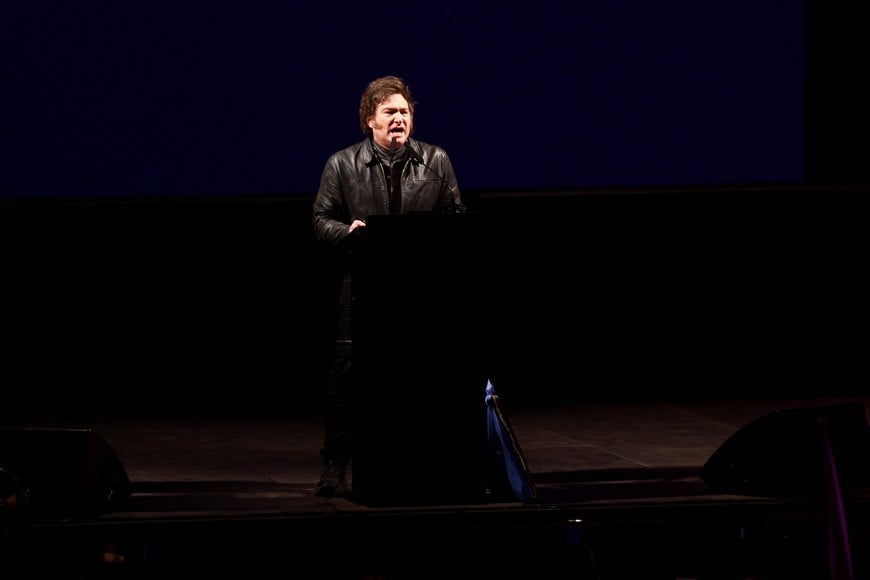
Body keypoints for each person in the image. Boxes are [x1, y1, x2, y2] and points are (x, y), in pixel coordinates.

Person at [311, 75, 465, 497]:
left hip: (421, 292)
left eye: (405, 112)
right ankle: (335, 465)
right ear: (369, 121)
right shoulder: (342, 164)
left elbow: (458, 219)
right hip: (361, 287)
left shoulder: (436, 161)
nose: (399, 119)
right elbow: (321, 221)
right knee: (347, 378)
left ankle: (429, 461)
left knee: (425, 377)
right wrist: (349, 231)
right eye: (389, 112)